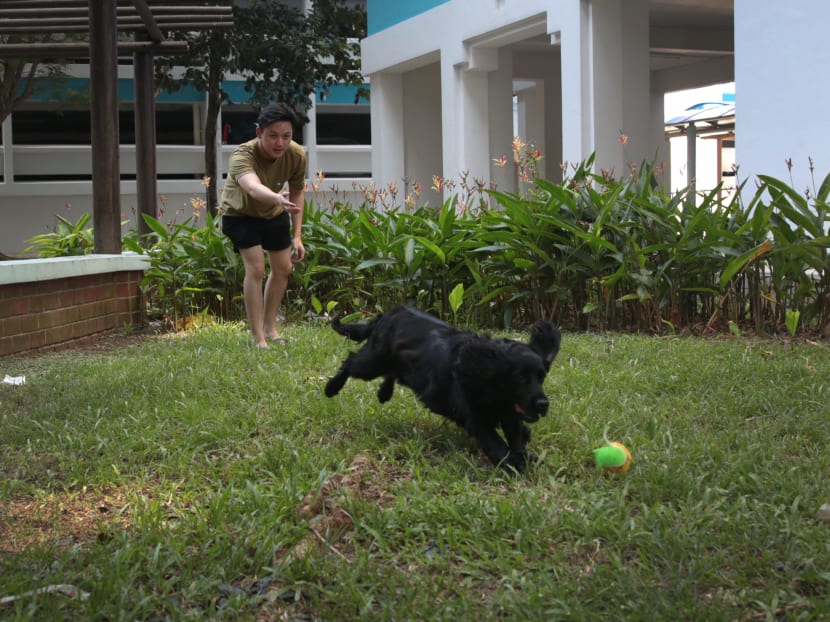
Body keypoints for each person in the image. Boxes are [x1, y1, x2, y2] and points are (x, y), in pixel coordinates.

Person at [218, 103, 307, 348]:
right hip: (240, 214)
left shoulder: (296, 154)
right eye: (273, 136)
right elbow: (252, 187)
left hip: (274, 212)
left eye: (286, 136)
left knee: (283, 268)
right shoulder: (242, 155)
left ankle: (270, 328)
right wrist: (277, 197)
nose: (280, 143)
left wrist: (297, 236)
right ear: (259, 133)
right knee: (256, 268)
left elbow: (298, 192)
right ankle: (258, 337)